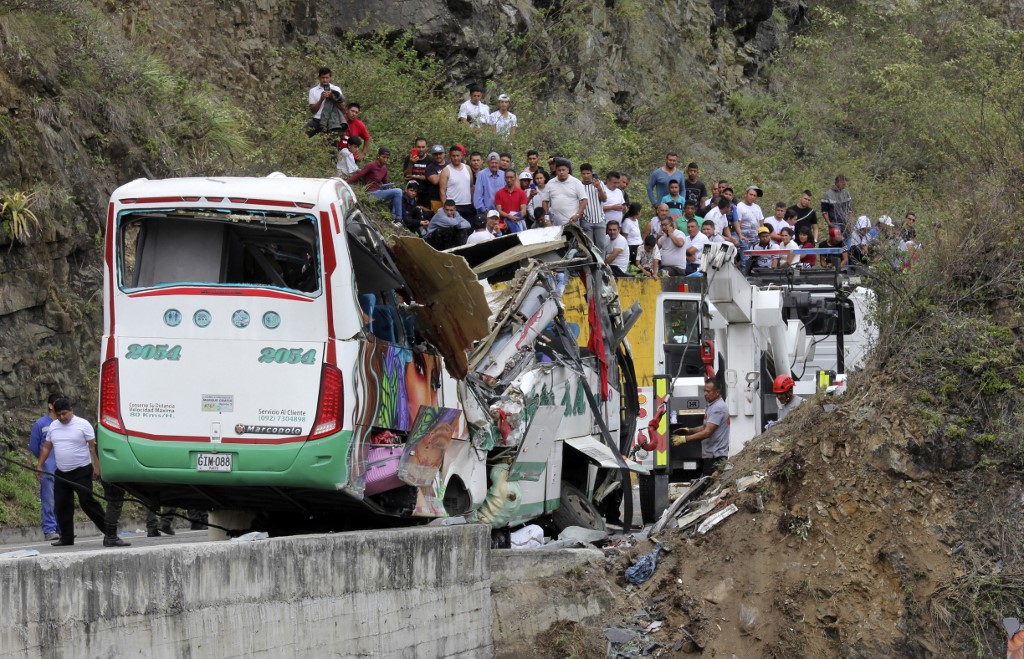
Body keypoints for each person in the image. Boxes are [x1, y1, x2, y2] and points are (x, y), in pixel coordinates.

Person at [36, 398, 129, 547]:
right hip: (62, 472)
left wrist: (97, 467)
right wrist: (39, 466)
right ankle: (66, 537)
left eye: (64, 414)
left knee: (87, 502)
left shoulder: (83, 425)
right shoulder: (53, 427)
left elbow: (93, 448)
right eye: (59, 414)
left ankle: (110, 533)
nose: (62, 417)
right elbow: (47, 447)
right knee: (62, 505)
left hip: (82, 471)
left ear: (71, 410)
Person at [671, 380, 730, 477]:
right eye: (704, 391)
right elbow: (705, 426)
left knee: (710, 485)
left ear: (717, 392)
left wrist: (685, 439)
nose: (705, 394)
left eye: (708, 391)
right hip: (711, 456)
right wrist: (689, 430)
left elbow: (707, 432)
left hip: (716, 457)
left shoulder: (718, 408)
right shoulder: (711, 405)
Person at [28, 393, 60, 541]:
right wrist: (43, 462)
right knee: (49, 500)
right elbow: (34, 447)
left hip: (64, 469)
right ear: (50, 405)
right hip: (48, 469)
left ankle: (63, 529)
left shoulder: (64, 423)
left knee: (63, 500)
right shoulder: (40, 424)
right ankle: (50, 530)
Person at [346, 147, 403, 220]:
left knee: (399, 193)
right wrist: (346, 182)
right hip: (370, 194)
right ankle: (399, 218)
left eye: (387, 158)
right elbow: (359, 175)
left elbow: (386, 184)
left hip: (378, 193)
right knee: (398, 191)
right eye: (383, 157)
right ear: (378, 156)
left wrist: (391, 187)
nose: (385, 159)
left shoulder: (384, 168)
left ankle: (394, 217)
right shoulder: (371, 165)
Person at [542, 159, 587, 226]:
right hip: (554, 221)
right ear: (556, 171)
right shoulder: (550, 183)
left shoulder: (576, 182)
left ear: (568, 170)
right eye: (559, 170)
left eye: (563, 170)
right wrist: (546, 218)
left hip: (572, 220)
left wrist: (577, 215)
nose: (561, 172)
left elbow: (584, 200)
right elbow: (545, 201)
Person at [305, 66, 346, 138]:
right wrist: (321, 99)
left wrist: (332, 97)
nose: (325, 80)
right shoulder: (313, 91)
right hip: (317, 119)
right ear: (319, 78)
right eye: (323, 77)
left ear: (330, 78)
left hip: (331, 120)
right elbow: (312, 110)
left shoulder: (336, 89)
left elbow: (342, 107)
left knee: (332, 143)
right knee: (302, 134)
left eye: (327, 78)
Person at [438, 145, 474, 219]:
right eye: (453, 156)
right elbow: (442, 191)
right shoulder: (446, 170)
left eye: (458, 155)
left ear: (461, 156)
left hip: (468, 205)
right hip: (453, 206)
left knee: (469, 227)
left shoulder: (467, 168)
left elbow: (471, 186)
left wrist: (472, 202)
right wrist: (446, 209)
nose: (456, 158)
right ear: (450, 156)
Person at [733, 185, 765, 267]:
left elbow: (761, 223)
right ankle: (745, 273)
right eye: (751, 194)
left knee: (757, 259)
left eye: (754, 196)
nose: (752, 197)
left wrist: (762, 236)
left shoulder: (757, 207)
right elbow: (738, 224)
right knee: (746, 260)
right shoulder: (739, 206)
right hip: (744, 238)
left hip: (756, 238)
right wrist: (740, 236)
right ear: (746, 194)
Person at [579, 163, 608, 250]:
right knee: (589, 245)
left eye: (588, 173)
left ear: (591, 173)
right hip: (586, 220)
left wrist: (599, 188)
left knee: (601, 244)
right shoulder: (579, 185)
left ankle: (601, 263)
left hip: (599, 219)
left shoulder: (599, 183)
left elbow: (604, 199)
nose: (586, 176)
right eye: (584, 174)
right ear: (581, 174)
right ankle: (591, 263)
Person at [821, 174, 853, 240]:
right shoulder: (828, 194)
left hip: (845, 223)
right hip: (835, 223)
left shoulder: (846, 193)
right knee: (836, 241)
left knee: (848, 240)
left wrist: (850, 222)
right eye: (843, 184)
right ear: (838, 183)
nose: (845, 186)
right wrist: (829, 223)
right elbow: (824, 211)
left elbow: (849, 210)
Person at [473, 152, 505, 216]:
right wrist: (485, 213)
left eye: (496, 163)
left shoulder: (503, 174)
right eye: (492, 163)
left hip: (501, 213)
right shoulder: (481, 174)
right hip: (485, 212)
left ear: (499, 164)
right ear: (488, 163)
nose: (494, 165)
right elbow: (477, 196)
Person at [423, 145, 447, 212]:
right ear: (432, 155)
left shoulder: (450, 164)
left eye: (440, 153)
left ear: (444, 154)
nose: (438, 156)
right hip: (436, 199)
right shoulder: (430, 168)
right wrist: (445, 170)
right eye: (435, 154)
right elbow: (435, 181)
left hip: (451, 198)